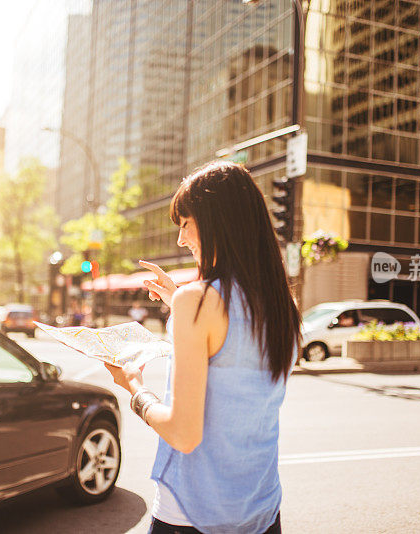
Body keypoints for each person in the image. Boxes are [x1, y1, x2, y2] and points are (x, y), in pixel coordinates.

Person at [105, 161, 301, 534]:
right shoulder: (281, 307)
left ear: (217, 223)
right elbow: (234, 344)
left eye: (185, 224)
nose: (181, 239)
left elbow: (183, 433)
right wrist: (178, 298)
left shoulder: (198, 303)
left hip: (192, 514)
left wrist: (134, 387)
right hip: (261, 510)